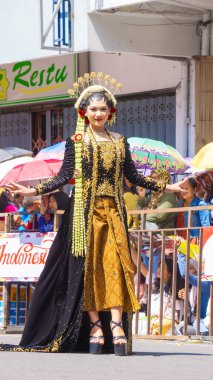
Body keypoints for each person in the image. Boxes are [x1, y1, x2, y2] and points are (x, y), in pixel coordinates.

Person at [5, 73, 187, 355]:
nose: (98, 113)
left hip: (113, 213)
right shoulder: (76, 141)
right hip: (83, 215)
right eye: (93, 109)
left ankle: (115, 325)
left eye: (103, 108)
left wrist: (169, 185)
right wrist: (34, 192)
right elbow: (64, 176)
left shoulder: (119, 141)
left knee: (115, 266)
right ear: (84, 112)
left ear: (110, 111)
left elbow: (133, 175)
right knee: (86, 269)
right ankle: (94, 325)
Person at [176, 177, 210, 242]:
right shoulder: (179, 205)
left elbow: (206, 226)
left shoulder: (201, 205)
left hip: (195, 242)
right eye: (182, 188)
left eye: (187, 188)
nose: (184, 191)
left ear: (194, 190)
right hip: (180, 242)